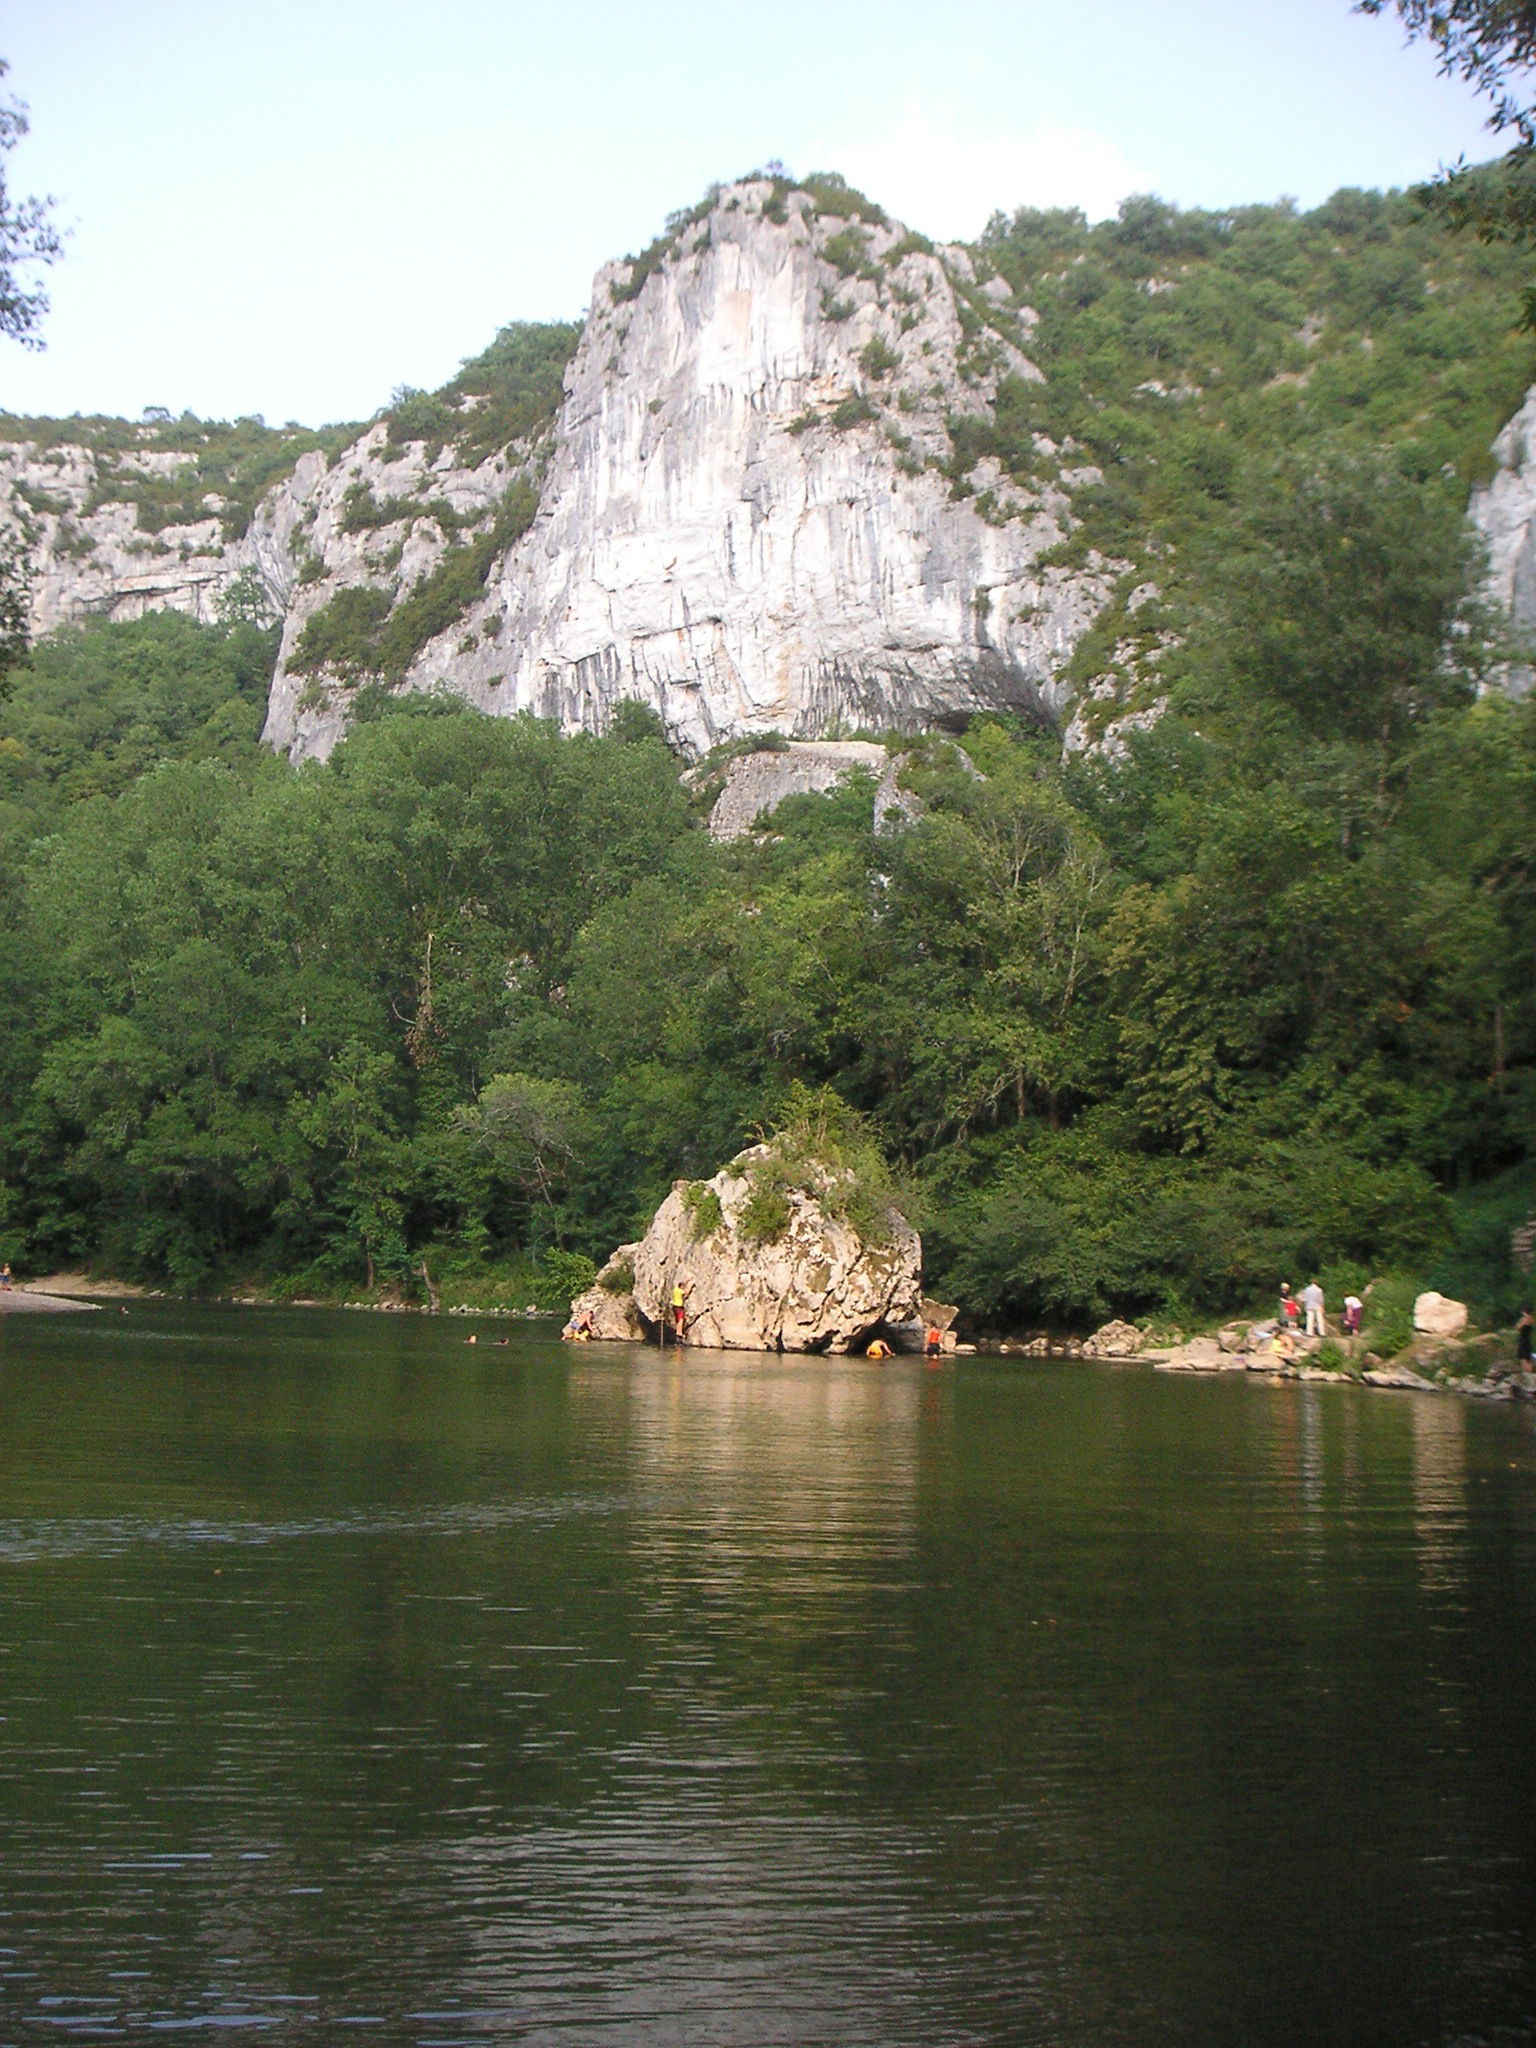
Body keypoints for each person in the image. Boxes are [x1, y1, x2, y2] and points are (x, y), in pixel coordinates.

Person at [1517, 1306, 1534, 1372]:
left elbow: (1518, 1327)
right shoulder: (1532, 1319)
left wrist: (1521, 1320)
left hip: (1523, 1341)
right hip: (1528, 1341)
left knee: (1523, 1358)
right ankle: (1531, 1372)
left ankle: (1528, 1373)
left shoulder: (1524, 1319)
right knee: (1528, 1358)